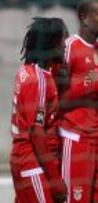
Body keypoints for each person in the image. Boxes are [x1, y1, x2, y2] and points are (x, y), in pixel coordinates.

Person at [58, 0, 98, 202]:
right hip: (78, 139)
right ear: (84, 17)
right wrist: (92, 84)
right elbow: (58, 99)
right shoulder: (69, 47)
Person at [10, 17, 68, 203]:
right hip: (34, 164)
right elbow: (37, 132)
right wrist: (55, 179)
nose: (65, 45)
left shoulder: (26, 70)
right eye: (62, 40)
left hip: (22, 160)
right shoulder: (39, 80)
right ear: (52, 43)